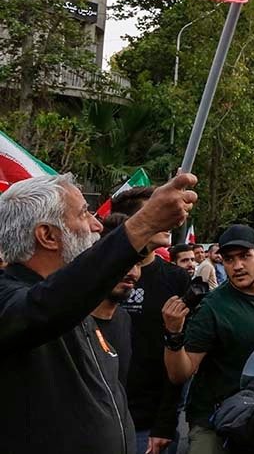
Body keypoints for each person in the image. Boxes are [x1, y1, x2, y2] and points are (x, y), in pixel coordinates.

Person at [0, 173, 197, 454]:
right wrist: (145, 222)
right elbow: (45, 306)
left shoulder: (82, 307)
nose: (96, 224)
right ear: (48, 235)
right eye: (83, 214)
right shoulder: (13, 302)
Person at [162, 224, 254, 454]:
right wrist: (174, 335)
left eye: (244, 256)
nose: (238, 266)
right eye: (229, 259)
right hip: (215, 421)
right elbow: (180, 373)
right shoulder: (212, 308)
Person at [106, 209, 191, 454]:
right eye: (160, 209)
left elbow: (179, 364)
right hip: (102, 423)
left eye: (136, 265)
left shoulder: (175, 279)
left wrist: (164, 423)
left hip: (149, 424)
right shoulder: (80, 297)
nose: (172, 219)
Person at [92, 258, 141, 387]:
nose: (133, 273)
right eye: (123, 261)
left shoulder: (123, 318)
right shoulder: (71, 322)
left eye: (138, 264)